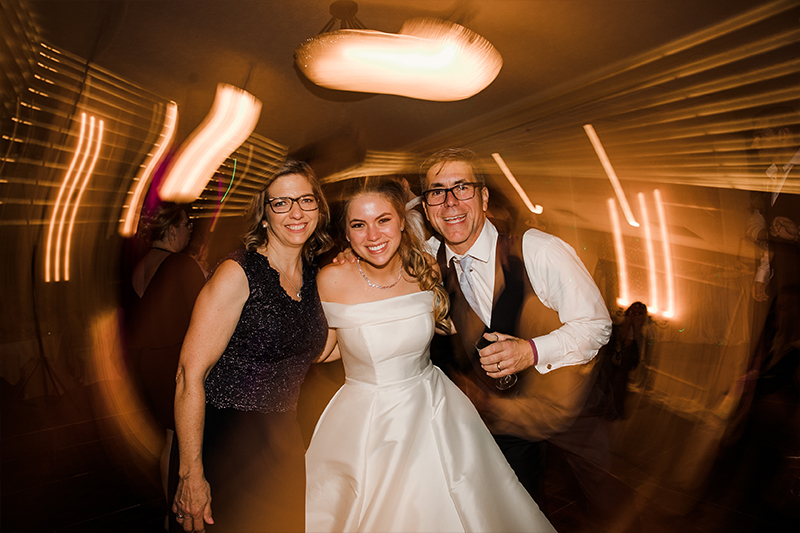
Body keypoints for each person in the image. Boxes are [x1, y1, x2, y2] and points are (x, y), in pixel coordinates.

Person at [306, 178, 555, 532]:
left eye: (383, 220)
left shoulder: (425, 267)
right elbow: (327, 350)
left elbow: (449, 323)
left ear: (402, 221)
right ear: (346, 233)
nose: (373, 235)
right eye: (359, 225)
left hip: (435, 408)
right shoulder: (331, 279)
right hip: (367, 422)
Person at [420, 148, 617, 519]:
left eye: (462, 187)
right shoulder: (426, 260)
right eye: (437, 191)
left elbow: (596, 324)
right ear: (427, 208)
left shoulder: (540, 250)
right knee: (515, 514)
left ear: (483, 197)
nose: (450, 202)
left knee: (607, 501)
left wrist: (531, 351)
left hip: (571, 405)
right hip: (504, 419)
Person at [171, 160, 332, 533]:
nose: (296, 212)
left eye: (306, 200)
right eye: (282, 203)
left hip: (283, 439)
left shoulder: (315, 278)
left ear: (319, 208)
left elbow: (321, 351)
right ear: (264, 214)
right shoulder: (238, 272)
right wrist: (191, 472)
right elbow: (188, 375)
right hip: (229, 443)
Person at [127, 202, 205, 507]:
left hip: (148, 362)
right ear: (172, 230)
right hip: (177, 361)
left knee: (171, 438)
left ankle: (169, 507)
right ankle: (184, 504)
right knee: (188, 440)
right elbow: (204, 315)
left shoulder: (141, 265)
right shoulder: (181, 265)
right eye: (186, 225)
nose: (190, 231)